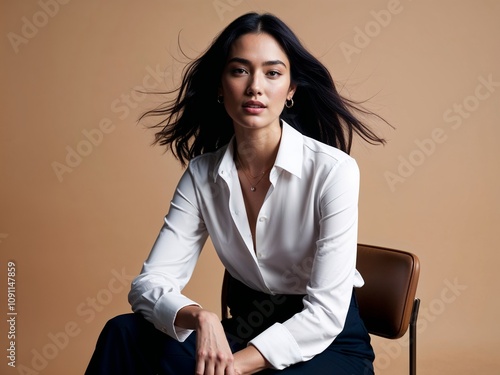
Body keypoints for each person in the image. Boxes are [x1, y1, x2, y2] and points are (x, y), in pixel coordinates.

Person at [86, 12, 386, 375]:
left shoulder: (332, 171)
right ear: (219, 84)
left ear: (291, 89)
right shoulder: (202, 175)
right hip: (245, 328)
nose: (255, 87)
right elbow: (150, 284)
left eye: (273, 73)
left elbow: (324, 316)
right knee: (124, 333)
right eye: (240, 70)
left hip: (327, 343)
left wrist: (234, 367)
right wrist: (200, 317)